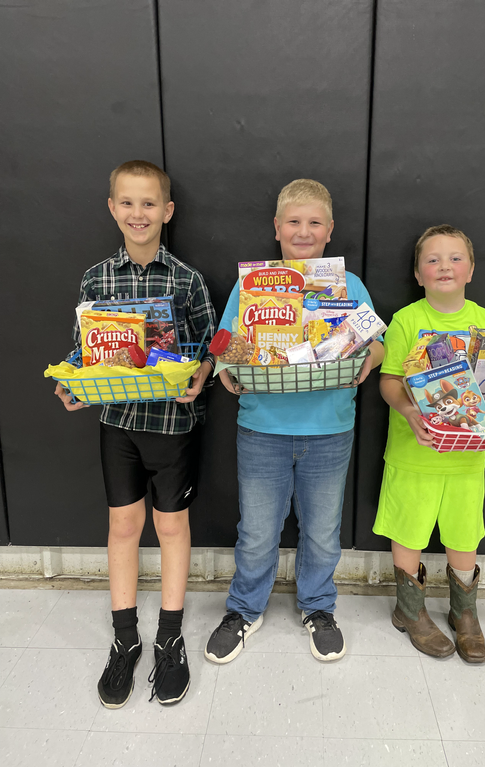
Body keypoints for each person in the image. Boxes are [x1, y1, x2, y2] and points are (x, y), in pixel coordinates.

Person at [54, 160, 217, 707]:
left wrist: (198, 379)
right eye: (127, 202)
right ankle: (125, 639)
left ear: (167, 212)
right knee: (123, 525)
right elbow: (84, 350)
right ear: (111, 208)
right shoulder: (96, 278)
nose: (138, 213)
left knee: (172, 527)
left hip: (173, 426)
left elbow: (210, 351)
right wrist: (73, 382)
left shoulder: (187, 279)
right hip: (119, 423)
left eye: (149, 203)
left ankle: (169, 637)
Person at [205, 179, 385, 664]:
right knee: (258, 530)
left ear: (329, 231)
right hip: (263, 427)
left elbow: (377, 341)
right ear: (277, 228)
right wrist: (226, 372)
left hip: (329, 429)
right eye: (293, 222)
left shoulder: (346, 285)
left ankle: (318, 608)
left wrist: (368, 360)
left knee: (323, 531)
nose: (303, 232)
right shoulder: (252, 285)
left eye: (314, 223)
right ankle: (244, 609)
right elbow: (224, 343)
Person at [373, 224, 485, 663]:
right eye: (432, 259)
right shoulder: (407, 320)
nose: (444, 266)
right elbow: (389, 380)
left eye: (455, 258)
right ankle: (409, 610)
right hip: (413, 451)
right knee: (408, 529)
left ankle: (464, 613)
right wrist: (410, 411)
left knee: (463, 531)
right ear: (418, 273)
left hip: (468, 458)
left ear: (471, 269)